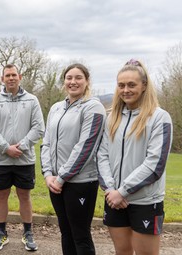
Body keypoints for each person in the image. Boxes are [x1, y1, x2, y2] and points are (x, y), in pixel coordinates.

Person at [97, 59, 173, 255]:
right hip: (114, 198)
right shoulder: (111, 117)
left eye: (132, 84)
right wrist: (111, 190)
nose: (126, 90)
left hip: (145, 201)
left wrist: (122, 191)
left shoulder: (159, 117)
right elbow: (102, 155)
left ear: (144, 85)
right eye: (121, 85)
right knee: (122, 252)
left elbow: (155, 164)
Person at [40, 63, 106, 254]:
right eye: (69, 78)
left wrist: (61, 178)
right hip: (55, 182)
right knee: (66, 232)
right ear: (64, 82)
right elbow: (47, 142)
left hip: (80, 182)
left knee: (80, 235)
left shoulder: (94, 107)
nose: (73, 82)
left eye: (78, 78)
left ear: (87, 81)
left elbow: (85, 147)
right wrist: (47, 174)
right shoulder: (56, 108)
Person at [0, 64, 44, 251]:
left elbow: (38, 128)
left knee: (24, 196)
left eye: (14, 75)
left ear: (20, 76)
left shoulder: (32, 100)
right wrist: (5, 148)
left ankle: (28, 233)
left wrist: (22, 146)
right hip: (1, 160)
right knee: (2, 196)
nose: (11, 78)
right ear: (2, 79)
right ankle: (1, 233)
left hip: (24, 159)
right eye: (7, 75)